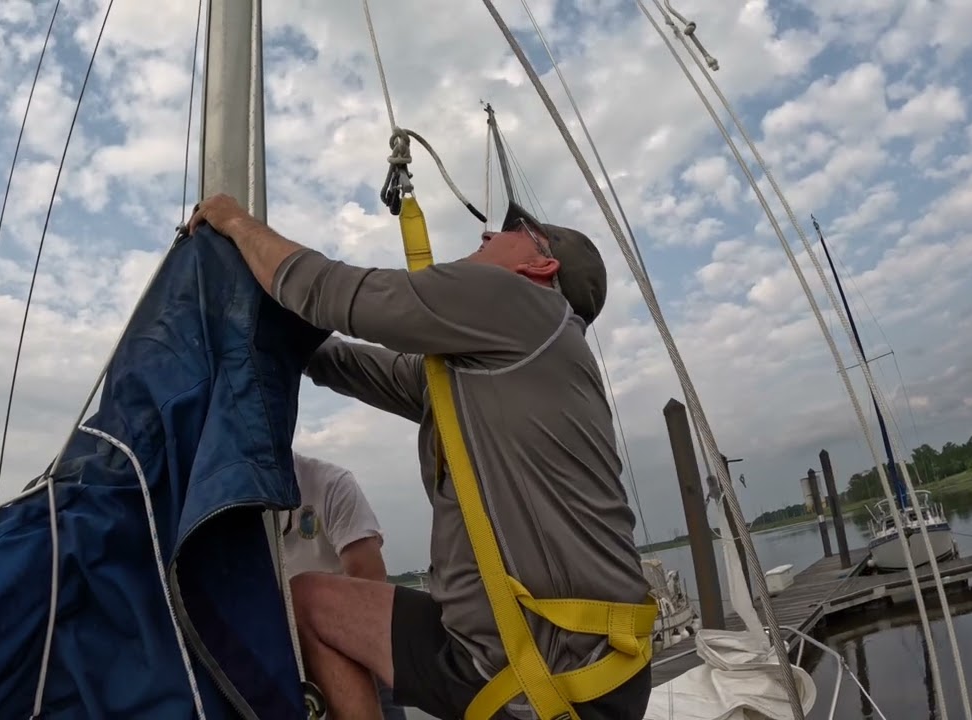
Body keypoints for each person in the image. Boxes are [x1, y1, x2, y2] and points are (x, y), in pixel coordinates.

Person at [187, 195, 651, 720]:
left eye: (514, 231)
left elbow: (335, 292)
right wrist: (251, 323)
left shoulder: (525, 306)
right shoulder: (485, 364)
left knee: (311, 602)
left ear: (540, 266)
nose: (485, 236)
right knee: (311, 602)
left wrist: (235, 222)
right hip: (511, 656)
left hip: (562, 673)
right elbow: (344, 362)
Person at [282, 453, 407, 720]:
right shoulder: (228, 500)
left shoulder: (330, 483)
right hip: (282, 656)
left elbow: (369, 578)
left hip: (350, 643)